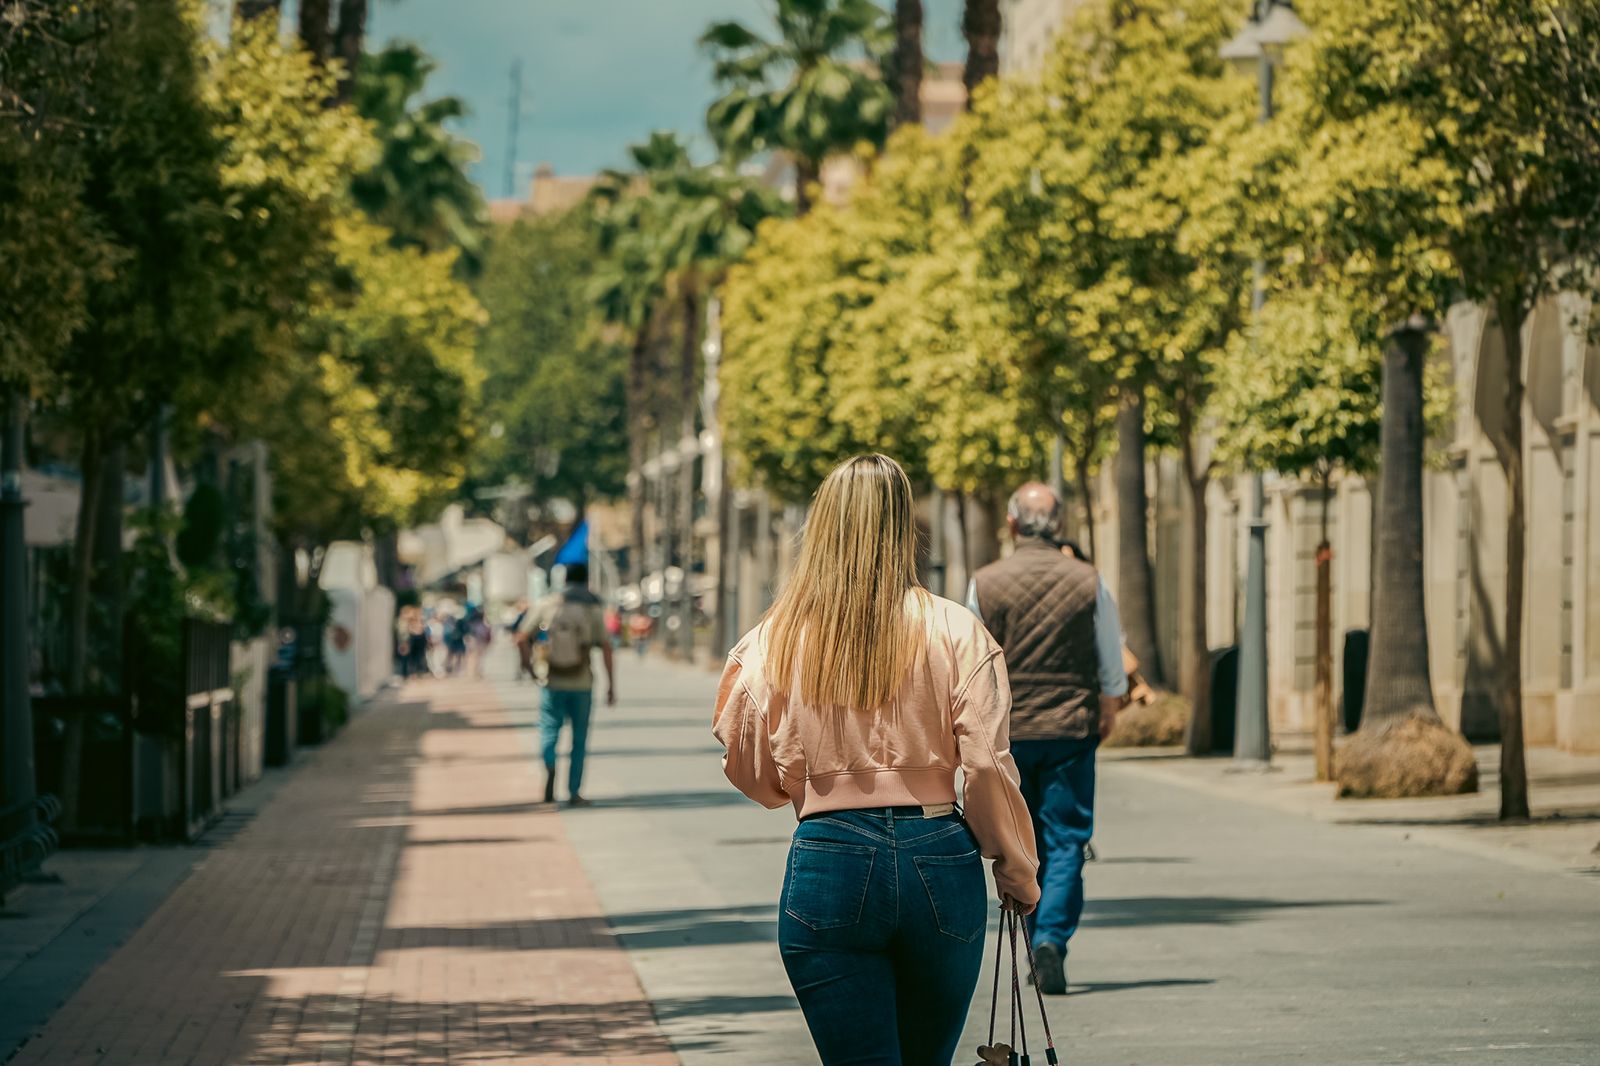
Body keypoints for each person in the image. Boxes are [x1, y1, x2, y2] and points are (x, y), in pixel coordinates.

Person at [713, 454, 1039, 1065]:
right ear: (902, 525)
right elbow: (989, 764)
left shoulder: (772, 639)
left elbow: (749, 768)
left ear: (823, 524)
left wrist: (810, 782)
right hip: (940, 854)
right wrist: (1015, 866)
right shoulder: (955, 629)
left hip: (828, 855)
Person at [967, 482, 1129, 995]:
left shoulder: (985, 583)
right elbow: (1110, 654)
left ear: (1012, 524)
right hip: (1069, 729)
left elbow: (968, 661)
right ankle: (1052, 940)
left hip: (1009, 731)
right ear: (1059, 526)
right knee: (1067, 839)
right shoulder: (1089, 581)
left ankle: (1038, 935)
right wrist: (1108, 708)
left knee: (1023, 839)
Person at [523, 563, 615, 807]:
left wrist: (529, 667)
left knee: (549, 729)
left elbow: (520, 637)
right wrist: (611, 684)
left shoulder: (548, 604)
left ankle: (550, 762)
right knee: (579, 739)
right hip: (582, 681)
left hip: (551, 680)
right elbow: (605, 646)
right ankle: (574, 791)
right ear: (586, 580)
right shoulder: (592, 606)